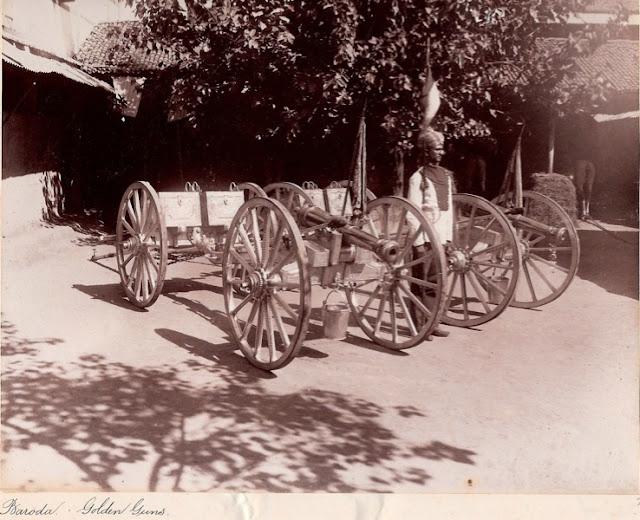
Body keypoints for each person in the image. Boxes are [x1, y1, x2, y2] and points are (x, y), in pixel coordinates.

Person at [406, 128, 453, 339]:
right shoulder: (418, 178)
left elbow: (449, 209)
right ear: (427, 151)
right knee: (420, 281)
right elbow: (412, 212)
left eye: (442, 148)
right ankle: (418, 326)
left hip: (440, 237)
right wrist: (418, 242)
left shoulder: (445, 176)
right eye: (437, 149)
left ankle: (433, 322)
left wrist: (448, 238)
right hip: (423, 238)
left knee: (436, 280)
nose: (441, 152)